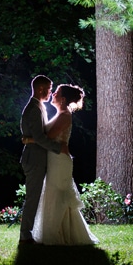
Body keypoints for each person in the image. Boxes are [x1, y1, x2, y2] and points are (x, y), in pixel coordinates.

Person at [28, 84, 99, 246]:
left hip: (60, 160)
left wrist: (29, 139)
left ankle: (57, 234)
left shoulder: (65, 115)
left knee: (57, 194)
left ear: (63, 99)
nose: (53, 94)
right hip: (55, 158)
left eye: (57, 93)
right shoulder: (60, 114)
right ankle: (62, 232)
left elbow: (49, 137)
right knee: (54, 193)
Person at [19, 75, 64, 245]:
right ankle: (25, 235)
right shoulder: (34, 109)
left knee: (35, 197)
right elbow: (38, 137)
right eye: (49, 89)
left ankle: (28, 233)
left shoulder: (37, 107)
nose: (51, 93)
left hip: (36, 157)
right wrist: (58, 148)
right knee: (33, 197)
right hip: (34, 159)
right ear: (40, 89)